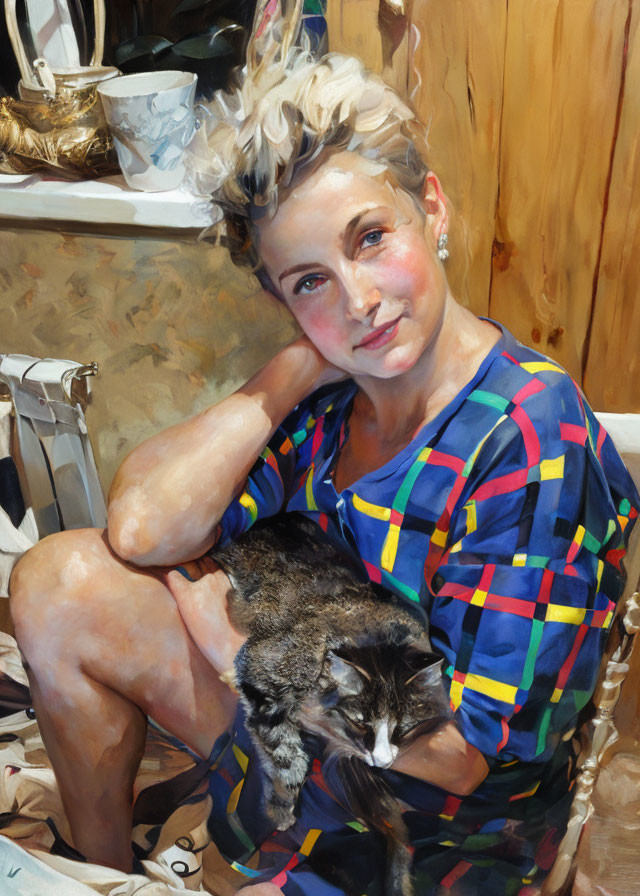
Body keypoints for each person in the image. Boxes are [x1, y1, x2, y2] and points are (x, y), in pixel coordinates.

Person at [8, 41, 640, 896]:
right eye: (309, 281)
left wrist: (235, 651)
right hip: (305, 714)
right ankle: (103, 876)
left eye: (372, 239)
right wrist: (291, 373)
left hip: (441, 824)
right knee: (57, 579)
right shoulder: (332, 398)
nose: (359, 301)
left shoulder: (529, 436)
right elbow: (143, 528)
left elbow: (466, 758)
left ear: (434, 211)